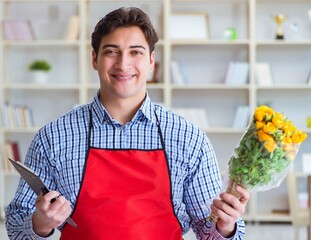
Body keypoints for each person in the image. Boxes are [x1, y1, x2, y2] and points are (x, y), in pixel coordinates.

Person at [5, 6, 250, 240]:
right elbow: (16, 228)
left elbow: (209, 233)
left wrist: (226, 225)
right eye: (111, 51)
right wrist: (41, 223)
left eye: (136, 52)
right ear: (94, 59)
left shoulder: (188, 138)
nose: (123, 64)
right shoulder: (53, 137)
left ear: (151, 61)